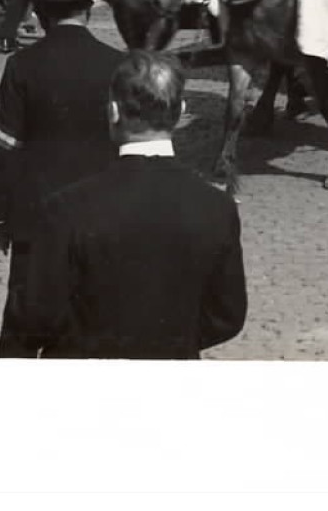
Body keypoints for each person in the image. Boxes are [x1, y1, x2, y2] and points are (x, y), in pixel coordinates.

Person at [21, 52, 247, 359]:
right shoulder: (217, 207)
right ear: (180, 112)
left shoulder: (66, 206)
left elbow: (36, 316)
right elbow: (228, 315)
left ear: (113, 112)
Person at [0, 0, 129, 357]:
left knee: (24, 323)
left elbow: (5, 145)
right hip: (100, 215)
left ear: (41, 12)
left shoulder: (22, 66)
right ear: (89, 8)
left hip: (36, 215)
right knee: (87, 321)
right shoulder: (118, 65)